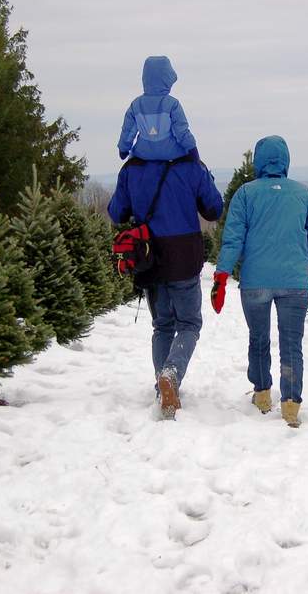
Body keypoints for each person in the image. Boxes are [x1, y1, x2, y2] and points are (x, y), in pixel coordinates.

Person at [211, 135, 308, 428]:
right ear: (286, 160)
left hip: (255, 283)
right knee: (291, 343)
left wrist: (221, 276)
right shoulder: (304, 194)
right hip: (295, 282)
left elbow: (233, 238)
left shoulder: (245, 194)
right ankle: (290, 405)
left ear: (258, 162)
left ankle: (262, 394)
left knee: (258, 339)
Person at [107, 140, 223, 420]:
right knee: (189, 323)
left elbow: (116, 213)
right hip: (184, 256)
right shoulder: (190, 166)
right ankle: (171, 375)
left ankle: (163, 388)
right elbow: (214, 209)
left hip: (149, 256)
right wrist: (203, 173)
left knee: (162, 326)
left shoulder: (132, 168)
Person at [118, 56, 200, 162]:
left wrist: (123, 149)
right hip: (172, 153)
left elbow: (128, 131)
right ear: (168, 79)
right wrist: (192, 149)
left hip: (143, 154)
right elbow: (181, 131)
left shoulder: (136, 105)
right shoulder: (172, 104)